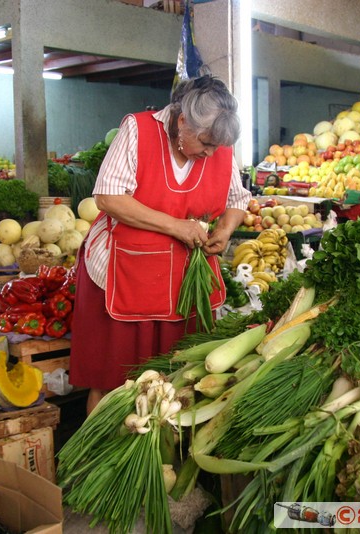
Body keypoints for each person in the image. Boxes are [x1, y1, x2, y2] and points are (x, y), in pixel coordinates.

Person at [69, 75, 251, 414]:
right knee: (114, 379)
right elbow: (108, 197)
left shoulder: (218, 144)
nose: (211, 153)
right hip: (123, 273)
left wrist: (226, 229)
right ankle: (97, 459)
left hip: (184, 283)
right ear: (182, 122)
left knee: (176, 380)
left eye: (217, 147)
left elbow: (237, 199)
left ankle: (161, 458)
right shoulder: (138, 131)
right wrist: (175, 227)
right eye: (206, 144)